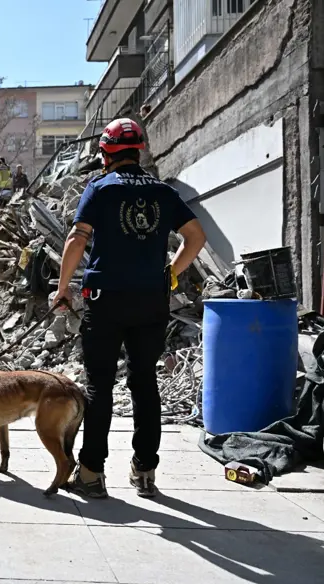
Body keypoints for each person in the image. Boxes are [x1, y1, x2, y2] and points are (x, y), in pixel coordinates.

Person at [50, 118, 207, 499]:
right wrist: (171, 272)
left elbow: (76, 237)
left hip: (106, 300)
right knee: (144, 382)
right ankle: (145, 470)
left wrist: (62, 288)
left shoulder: (100, 188)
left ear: (105, 153)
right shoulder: (163, 192)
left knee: (99, 386)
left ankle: (90, 473)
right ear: (139, 152)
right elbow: (196, 237)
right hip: (151, 299)